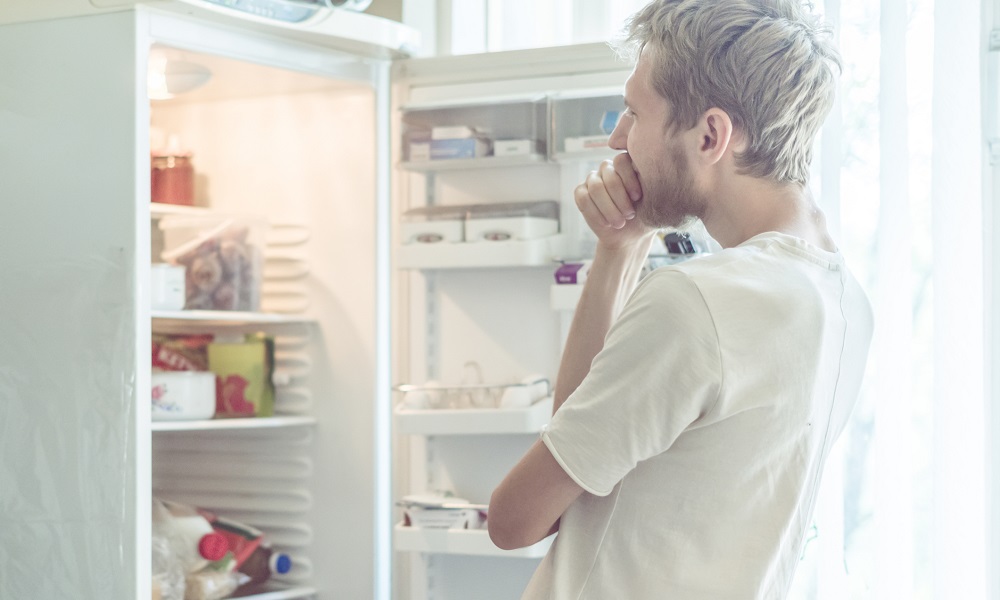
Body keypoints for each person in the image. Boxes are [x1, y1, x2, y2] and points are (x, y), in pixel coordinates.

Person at [487, 1, 874, 598]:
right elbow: (585, 447)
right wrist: (620, 251)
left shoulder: (696, 302)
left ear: (710, 135)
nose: (617, 137)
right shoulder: (845, 300)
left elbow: (517, 519)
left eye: (634, 112)